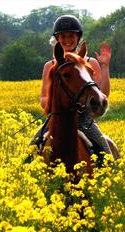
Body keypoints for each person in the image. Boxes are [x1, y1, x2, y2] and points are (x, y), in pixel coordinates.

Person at [33, 15, 119, 159]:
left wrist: (104, 66)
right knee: (31, 151)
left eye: (71, 35)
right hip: (57, 118)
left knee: (106, 152)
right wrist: (55, 103)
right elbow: (43, 97)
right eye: (63, 36)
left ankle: (110, 175)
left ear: (78, 37)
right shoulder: (50, 65)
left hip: (83, 120)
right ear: (57, 38)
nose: (67, 40)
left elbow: (103, 93)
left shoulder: (90, 62)